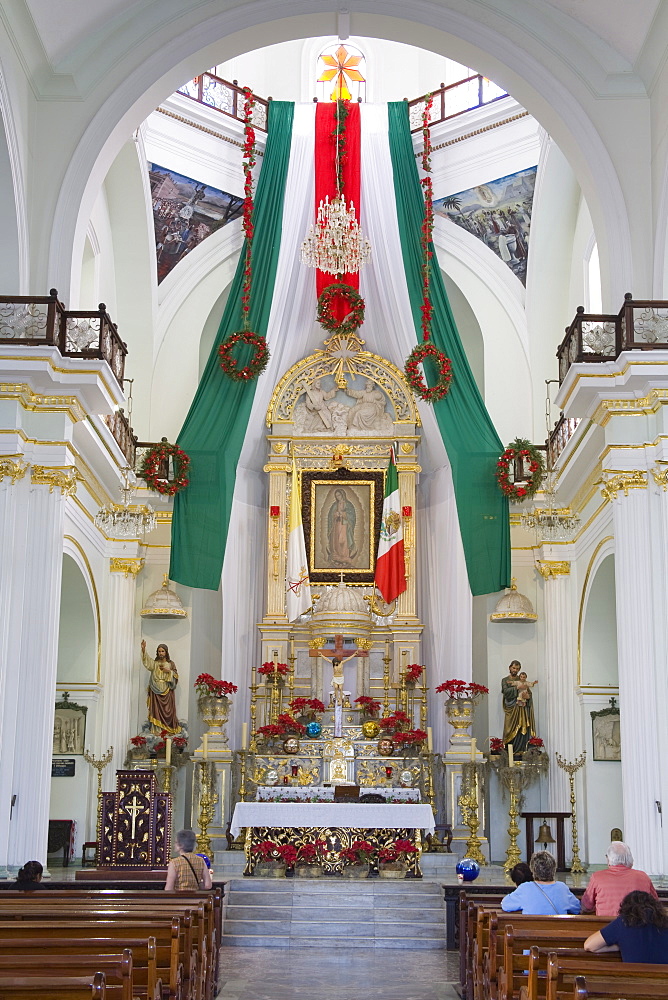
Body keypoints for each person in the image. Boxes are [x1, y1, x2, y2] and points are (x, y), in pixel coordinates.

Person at [584, 891, 668, 964]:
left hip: (635, 979)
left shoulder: (623, 922)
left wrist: (620, 946)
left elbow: (589, 946)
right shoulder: (665, 921)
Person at [581, 841, 658, 916]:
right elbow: (655, 904)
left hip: (607, 926)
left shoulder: (597, 877)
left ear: (608, 859)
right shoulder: (643, 877)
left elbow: (587, 906)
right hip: (637, 926)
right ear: (630, 858)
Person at [501, 851, 580, 914]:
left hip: (532, 933)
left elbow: (505, 905)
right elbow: (577, 908)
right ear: (554, 869)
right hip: (558, 932)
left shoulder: (525, 888)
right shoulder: (562, 888)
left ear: (533, 870)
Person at [141, 640, 180, 734]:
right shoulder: (155, 663)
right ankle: (157, 731)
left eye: (163, 651)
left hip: (167, 690)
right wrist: (143, 650)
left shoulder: (171, 664)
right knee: (156, 711)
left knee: (168, 711)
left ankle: (168, 729)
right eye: (159, 651)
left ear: (166, 652)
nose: (161, 653)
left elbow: (176, 676)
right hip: (155, 690)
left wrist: (169, 671)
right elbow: (147, 661)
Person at [502, 659, 536, 753]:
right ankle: (509, 751)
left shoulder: (522, 679)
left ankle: (521, 749)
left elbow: (529, 693)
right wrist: (517, 688)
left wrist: (528, 697)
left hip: (522, 709)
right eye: (513, 668)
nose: (515, 670)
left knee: (522, 728)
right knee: (509, 729)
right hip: (511, 708)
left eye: (517, 669)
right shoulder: (505, 680)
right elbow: (505, 692)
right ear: (510, 667)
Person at [326, 488, 357, 567]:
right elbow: (330, 516)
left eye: (339, 495)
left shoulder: (348, 504)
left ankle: (345, 558)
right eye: (336, 496)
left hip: (345, 525)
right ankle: (337, 558)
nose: (338, 497)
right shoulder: (334, 505)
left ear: (342, 495)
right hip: (336, 525)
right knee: (336, 541)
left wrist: (343, 514)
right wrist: (335, 515)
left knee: (343, 541)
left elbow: (352, 515)